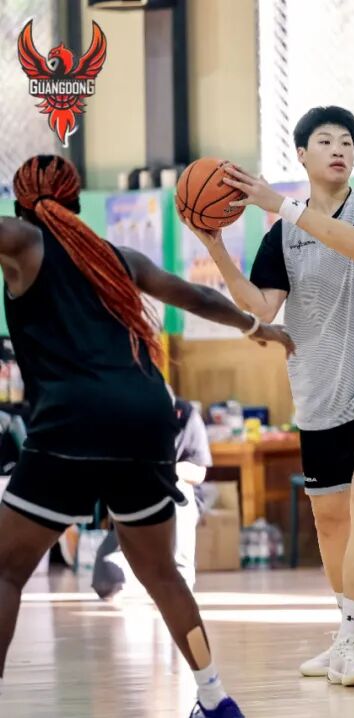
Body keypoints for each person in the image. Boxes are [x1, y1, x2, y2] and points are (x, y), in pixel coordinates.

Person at [0, 154, 295, 718]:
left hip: (73, 417)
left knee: (6, 570)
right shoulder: (119, 258)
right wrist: (259, 328)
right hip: (148, 413)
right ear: (77, 202)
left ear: (20, 205)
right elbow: (198, 297)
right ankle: (215, 698)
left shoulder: (23, 241)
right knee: (162, 573)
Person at [190, 105, 354, 688]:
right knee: (328, 520)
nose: (339, 148)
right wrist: (214, 245)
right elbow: (261, 307)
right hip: (321, 389)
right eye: (325, 140)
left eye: (347, 140)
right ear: (301, 154)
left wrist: (281, 204)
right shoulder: (281, 235)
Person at [92, 396, 212, 599]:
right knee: (107, 583)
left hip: (178, 498)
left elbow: (198, 473)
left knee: (178, 486)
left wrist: (162, 470)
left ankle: (180, 576)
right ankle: (140, 577)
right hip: (136, 501)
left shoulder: (186, 414)